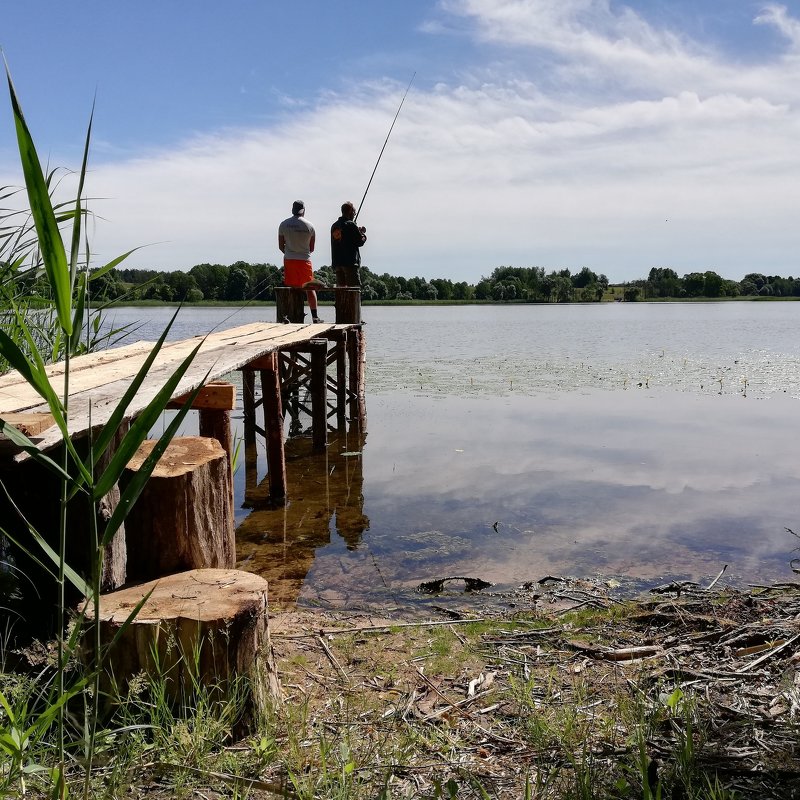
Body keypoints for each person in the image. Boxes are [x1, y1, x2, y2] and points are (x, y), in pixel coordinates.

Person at [278, 200, 321, 323]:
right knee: (309, 288)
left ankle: (286, 315)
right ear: (304, 210)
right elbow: (312, 248)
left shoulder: (283, 224)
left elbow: (281, 245)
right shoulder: (310, 226)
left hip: (289, 259)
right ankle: (315, 317)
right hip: (305, 260)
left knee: (291, 287)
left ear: (292, 210)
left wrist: (290, 252)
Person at [330, 201, 367, 287]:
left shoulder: (334, 226)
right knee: (354, 290)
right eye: (354, 212)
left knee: (341, 291)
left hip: (337, 264)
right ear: (350, 211)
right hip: (350, 264)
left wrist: (357, 231)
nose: (354, 215)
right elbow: (359, 241)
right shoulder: (351, 224)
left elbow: (344, 238)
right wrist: (363, 235)